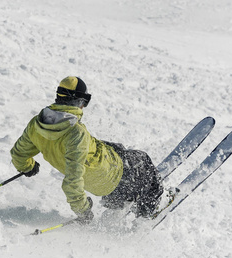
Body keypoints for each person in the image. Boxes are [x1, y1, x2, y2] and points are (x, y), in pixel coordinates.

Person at [10, 76, 163, 225]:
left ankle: (117, 201)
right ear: (79, 101)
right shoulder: (75, 132)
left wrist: (27, 167)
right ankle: (147, 213)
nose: (84, 107)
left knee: (118, 148)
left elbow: (18, 154)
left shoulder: (37, 124)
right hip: (112, 176)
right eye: (85, 101)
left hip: (98, 177)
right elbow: (72, 182)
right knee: (144, 162)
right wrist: (83, 211)